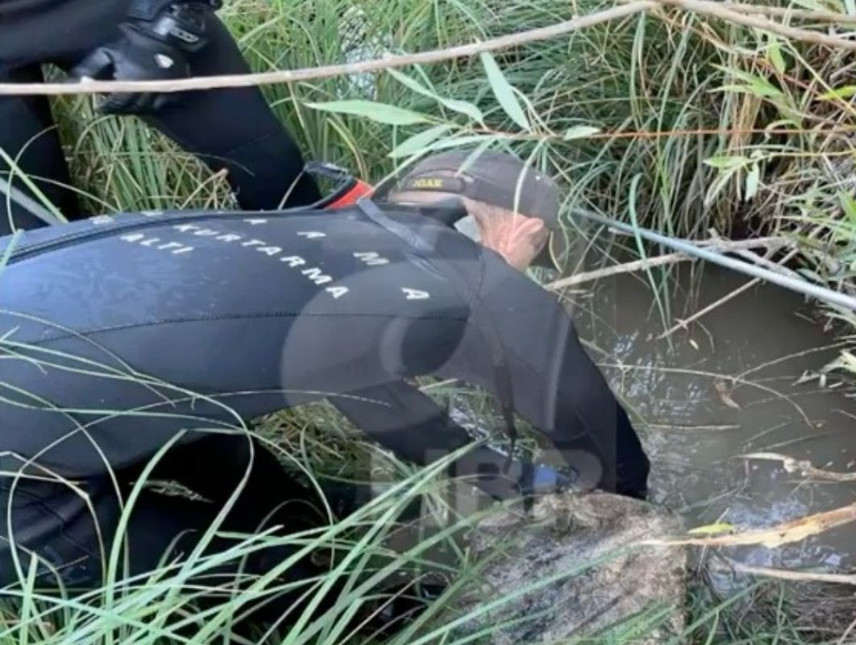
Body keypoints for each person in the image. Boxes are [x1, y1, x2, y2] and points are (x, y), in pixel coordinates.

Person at [0, 149, 650, 625]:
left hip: (44, 323)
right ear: (526, 231)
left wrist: (502, 478)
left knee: (211, 433)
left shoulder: (319, 237)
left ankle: (306, 522)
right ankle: (357, 616)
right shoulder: (497, 304)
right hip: (16, 491)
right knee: (230, 573)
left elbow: (364, 388)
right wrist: (622, 521)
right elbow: (617, 459)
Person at [0, 0, 322, 235]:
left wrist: (176, 15)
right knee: (25, 238)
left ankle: (355, 295)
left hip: (123, 10)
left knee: (276, 175)